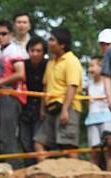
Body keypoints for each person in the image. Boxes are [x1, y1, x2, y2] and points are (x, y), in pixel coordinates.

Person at [34, 28, 82, 156]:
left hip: (67, 107)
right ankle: (44, 173)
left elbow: (72, 86)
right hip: (51, 107)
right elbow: (46, 86)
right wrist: (42, 108)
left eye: (52, 39)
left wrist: (66, 109)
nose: (48, 43)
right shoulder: (51, 62)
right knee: (39, 142)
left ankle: (75, 174)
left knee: (68, 146)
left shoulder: (72, 61)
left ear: (62, 44)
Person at [0, 20, 26, 167]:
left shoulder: (15, 50)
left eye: (4, 34)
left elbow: (20, 73)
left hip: (11, 96)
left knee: (6, 135)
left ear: (11, 34)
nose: (0, 37)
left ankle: (12, 167)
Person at [20, 36, 47, 166]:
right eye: (32, 50)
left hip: (41, 109)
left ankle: (41, 168)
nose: (35, 54)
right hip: (25, 108)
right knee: (25, 141)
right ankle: (28, 169)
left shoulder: (48, 66)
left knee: (39, 140)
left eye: (38, 51)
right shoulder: (23, 65)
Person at [86, 57, 111, 171]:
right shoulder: (89, 85)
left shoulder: (107, 83)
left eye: (93, 65)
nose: (90, 69)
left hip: (106, 118)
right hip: (92, 119)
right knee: (94, 151)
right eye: (89, 66)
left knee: (109, 150)